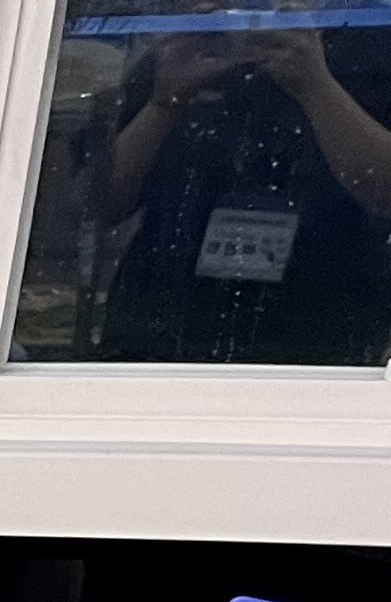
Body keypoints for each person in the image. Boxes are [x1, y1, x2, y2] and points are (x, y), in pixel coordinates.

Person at [89, 10, 391, 363]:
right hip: (156, 336)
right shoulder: (187, 45)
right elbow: (95, 211)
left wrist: (316, 86)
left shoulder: (371, 36)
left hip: (325, 339)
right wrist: (161, 105)